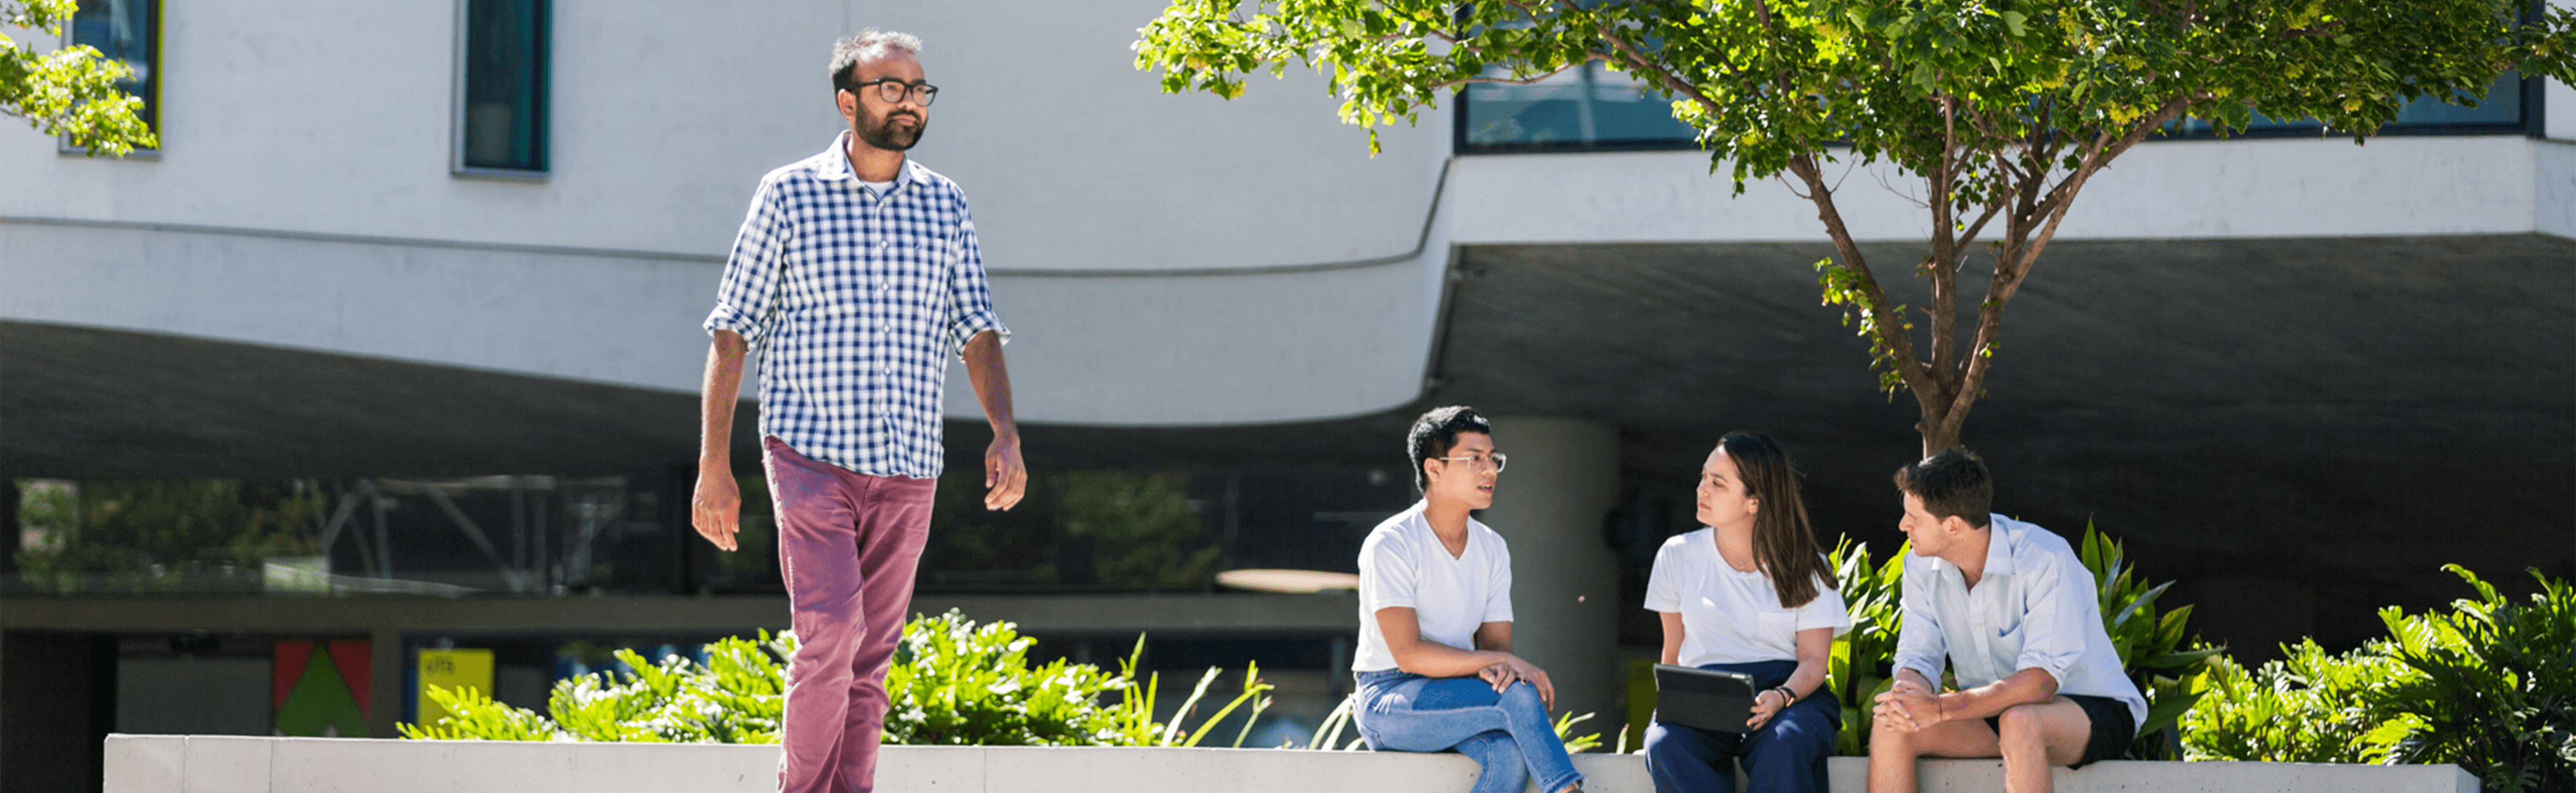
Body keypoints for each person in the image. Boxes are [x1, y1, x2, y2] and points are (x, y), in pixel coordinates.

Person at [688, 30, 1026, 793]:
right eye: (890, 88)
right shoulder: (788, 194)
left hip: (909, 465)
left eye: (917, 89)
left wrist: (1005, 431)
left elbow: (975, 328)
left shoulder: (945, 204)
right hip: (810, 453)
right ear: (848, 102)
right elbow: (733, 329)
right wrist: (715, 464)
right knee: (831, 633)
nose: (908, 102)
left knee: (871, 659)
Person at [1868, 449, 2145, 793]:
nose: (1902, 525)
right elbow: (1918, 657)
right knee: (1892, 726)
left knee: (2021, 720)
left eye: (1914, 518)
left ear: (1953, 525)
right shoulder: (1919, 567)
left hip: (2090, 708)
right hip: (1991, 710)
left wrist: (1940, 707)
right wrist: (1907, 699)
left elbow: (2040, 686)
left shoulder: (2043, 558)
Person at [1350, 406, 1584, 793]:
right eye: (1474, 459)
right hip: (1389, 699)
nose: (1490, 470)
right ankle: (1568, 790)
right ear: (1434, 469)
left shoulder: (1492, 548)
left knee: (1507, 756)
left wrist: (1503, 663)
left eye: (1493, 459)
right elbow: (1408, 655)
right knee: (1519, 697)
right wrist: (1502, 663)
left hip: (1457, 693)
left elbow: (1495, 651)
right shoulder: (1391, 543)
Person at [1642, 432, 1850, 793]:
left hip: (1789, 694)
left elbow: (1815, 661)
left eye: (1717, 483)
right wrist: (1668, 712)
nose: (1701, 489)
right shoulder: (1676, 555)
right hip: (1703, 695)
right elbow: (1672, 654)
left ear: (1754, 502)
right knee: (1665, 744)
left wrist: (1782, 696)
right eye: (1703, 476)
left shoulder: (1809, 567)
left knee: (1786, 744)